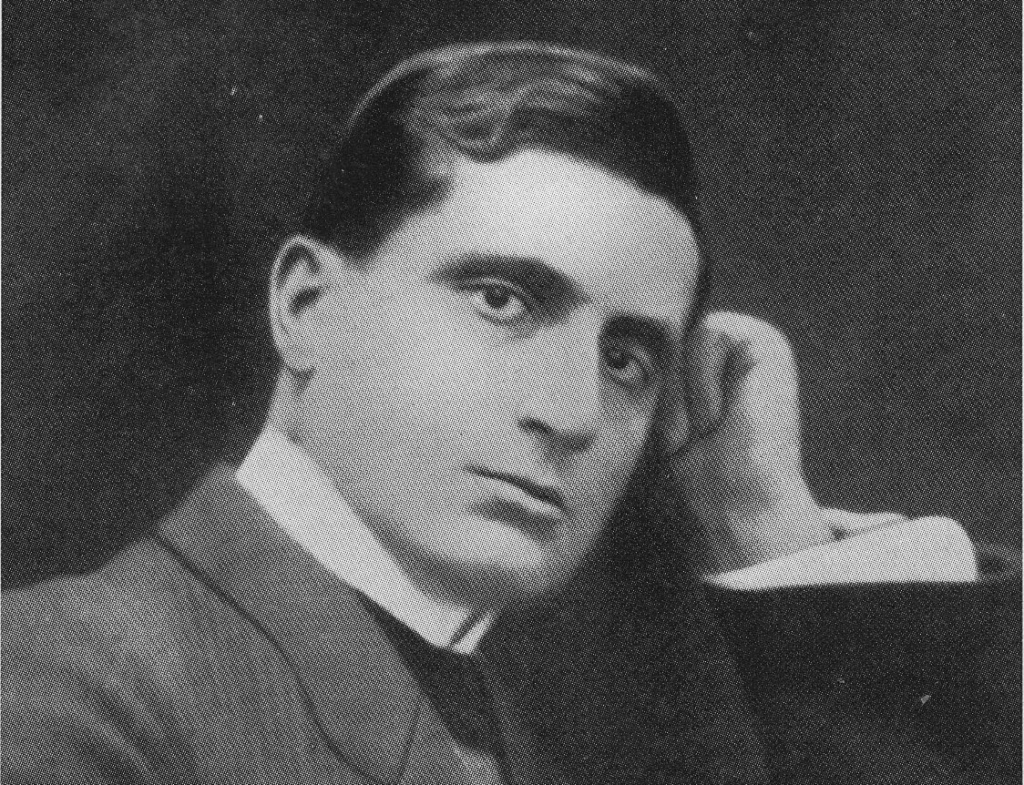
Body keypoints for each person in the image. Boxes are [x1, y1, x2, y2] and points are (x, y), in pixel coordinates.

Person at [3, 41, 1018, 785]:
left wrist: (768, 533)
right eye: (502, 299)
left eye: (626, 358)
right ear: (306, 305)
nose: (574, 412)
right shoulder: (73, 679)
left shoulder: (505, 735)